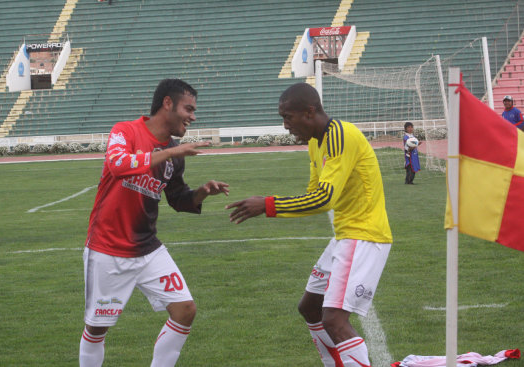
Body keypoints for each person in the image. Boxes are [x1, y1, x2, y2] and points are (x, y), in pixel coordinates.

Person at [226, 82, 392, 367]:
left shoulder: (339, 135)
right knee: (310, 307)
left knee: (335, 321)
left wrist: (267, 205)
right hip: (346, 235)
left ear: (310, 111)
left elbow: (325, 198)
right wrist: (269, 206)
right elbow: (314, 194)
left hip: (364, 234)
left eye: (287, 118)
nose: (286, 126)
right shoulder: (316, 142)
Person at [79, 79, 229, 367]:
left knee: (185, 310)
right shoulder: (125, 131)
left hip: (148, 250)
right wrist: (172, 152)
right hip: (108, 249)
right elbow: (119, 165)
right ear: (168, 103)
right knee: (97, 328)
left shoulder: (174, 156)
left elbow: (178, 200)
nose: (193, 116)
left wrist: (201, 193)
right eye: (189, 108)